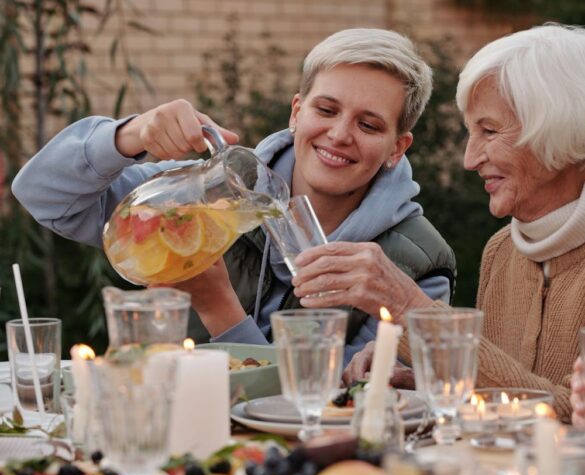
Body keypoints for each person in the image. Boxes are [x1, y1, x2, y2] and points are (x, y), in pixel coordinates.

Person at [12, 28, 455, 367]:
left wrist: (218, 307)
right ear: (297, 112)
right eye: (326, 110)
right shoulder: (206, 195)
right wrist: (130, 135)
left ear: (398, 147)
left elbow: (335, 406)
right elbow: (43, 195)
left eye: (370, 125)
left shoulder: (419, 269)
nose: (339, 135)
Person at [292, 23, 585, 422]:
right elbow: (504, 388)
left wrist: (408, 307)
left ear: (560, 129)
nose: (470, 159)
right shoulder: (504, 250)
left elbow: (570, 417)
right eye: (471, 132)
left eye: (489, 131)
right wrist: (427, 377)